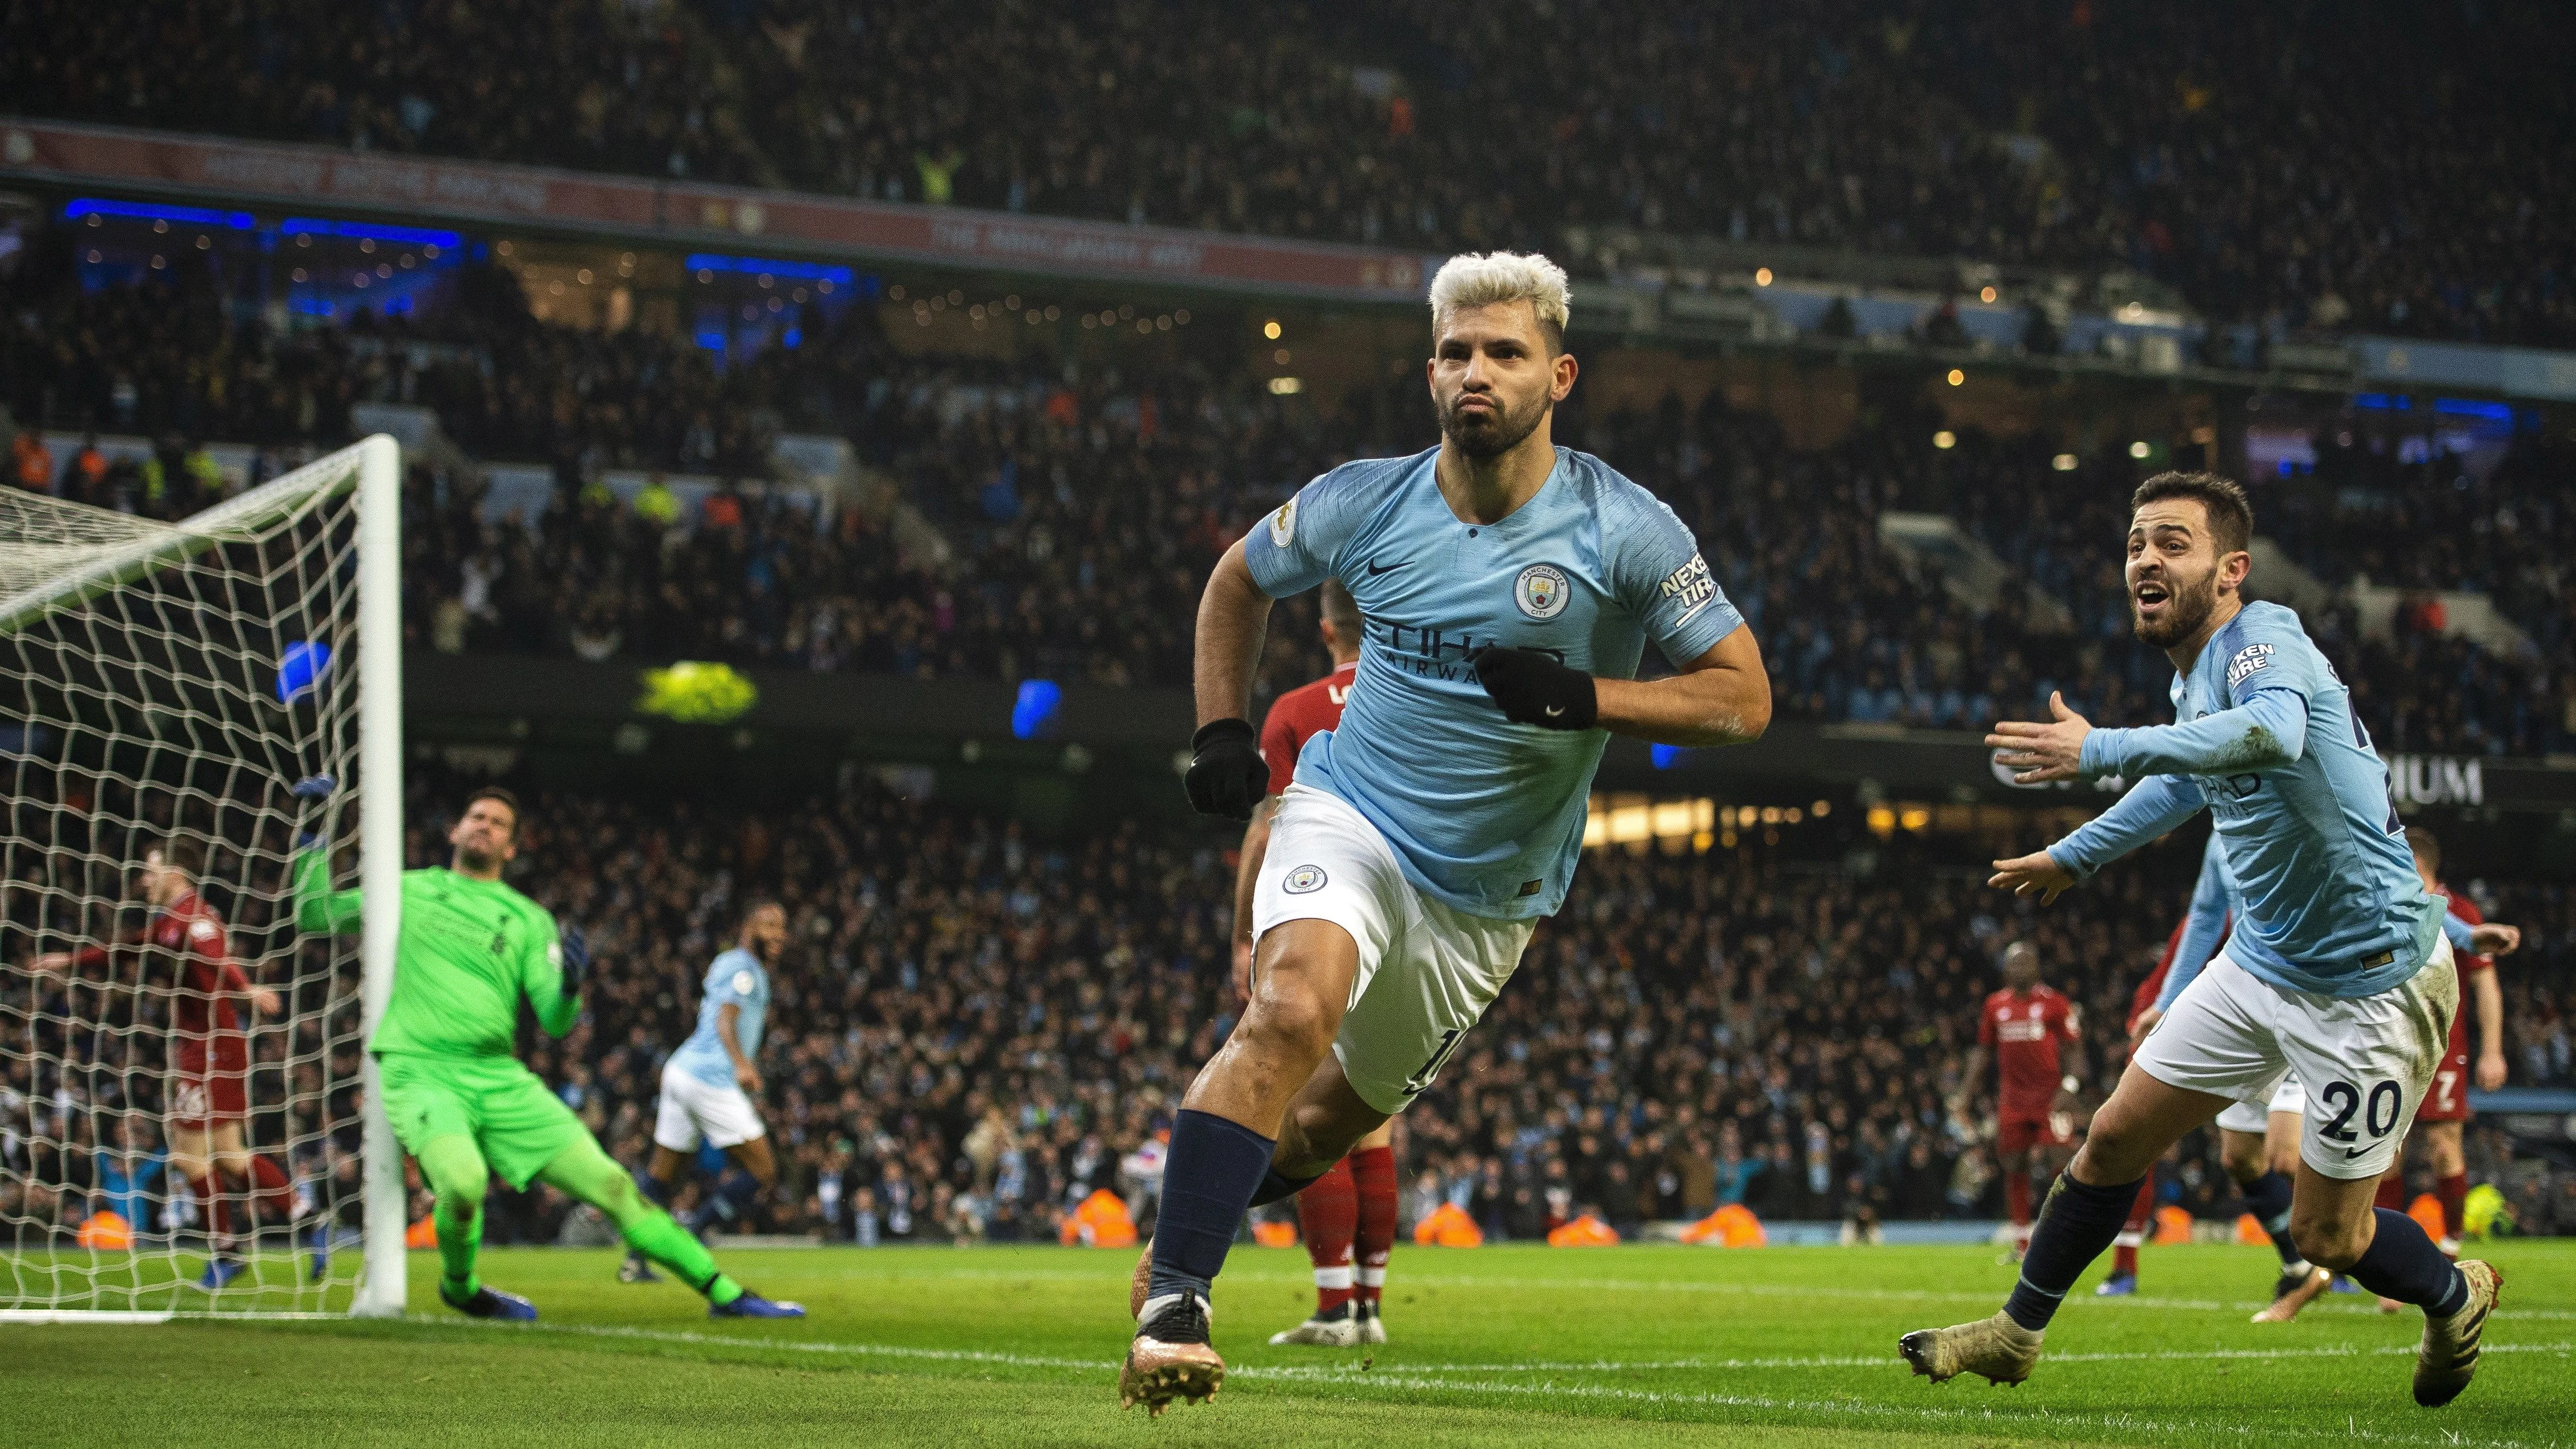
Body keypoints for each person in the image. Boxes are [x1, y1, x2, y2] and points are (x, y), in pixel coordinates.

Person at [1126, 250, 1771, 1415]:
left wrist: (1584, 697)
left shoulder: (1626, 529)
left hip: (1487, 898)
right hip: (1349, 812)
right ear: (1430, 371)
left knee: (1321, 1129)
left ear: (1558, 375)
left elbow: (1741, 697)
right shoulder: (1361, 499)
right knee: (1284, 1011)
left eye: (1505, 353)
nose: (1478, 371)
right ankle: (1175, 1299)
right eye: (1458, 352)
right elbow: (1236, 580)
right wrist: (1220, 727)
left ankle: (1188, 1215)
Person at [1905, 471, 2520, 1409]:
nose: (2144, 559)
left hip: (2372, 982)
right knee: (2111, 1137)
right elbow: (2188, 781)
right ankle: (2015, 1333)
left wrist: (2101, 747)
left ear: (2231, 570)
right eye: (2135, 543)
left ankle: (2455, 1291)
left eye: (2170, 543)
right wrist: (2077, 854)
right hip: (2263, 963)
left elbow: (2272, 734)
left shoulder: (2263, 639)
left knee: (2328, 1238)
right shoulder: (2196, 675)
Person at [292, 784, 802, 1320]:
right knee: (464, 1183)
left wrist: (569, 987)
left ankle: (725, 1294)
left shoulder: (528, 919)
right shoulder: (410, 890)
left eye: (498, 824)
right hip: (421, 1072)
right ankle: (461, 1287)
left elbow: (556, 1023)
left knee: (612, 1185)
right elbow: (315, 915)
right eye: (476, 816)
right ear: (455, 831)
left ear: (511, 848)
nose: (484, 826)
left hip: (498, 1077)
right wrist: (311, 843)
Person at [1230, 579, 1398, 1349]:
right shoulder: (1418, 697)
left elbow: (1266, 832)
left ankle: (1333, 1308)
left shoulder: (1296, 711)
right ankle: (1365, 1307)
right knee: (1373, 1126)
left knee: (1309, 1116)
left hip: (1328, 917)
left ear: (1326, 627)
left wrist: (1243, 932)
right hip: (1410, 921)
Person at [29, 839, 299, 1288]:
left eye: (151, 871)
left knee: (190, 1155)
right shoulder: (170, 923)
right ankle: (303, 1219)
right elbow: (127, 948)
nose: (144, 880)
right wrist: (70, 959)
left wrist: (245, 987)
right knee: (229, 1154)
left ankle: (231, 1249)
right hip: (208, 1043)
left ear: (176, 871)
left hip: (210, 1046)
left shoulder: (193, 917)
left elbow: (216, 956)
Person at [2372, 826, 2517, 1311]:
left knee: (2442, 1145)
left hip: (2444, 1048)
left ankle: (2451, 1251)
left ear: (2416, 863)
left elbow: (2486, 986)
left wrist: (2491, 1049)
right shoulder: (2388, 906)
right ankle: (2389, 1268)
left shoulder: (2461, 914)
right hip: (2391, 1046)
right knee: (2387, 1155)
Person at [620, 900, 786, 1284]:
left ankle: (634, 1259)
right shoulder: (744, 968)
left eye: (782, 927)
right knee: (763, 1169)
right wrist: (741, 1062)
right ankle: (689, 1236)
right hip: (708, 1077)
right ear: (749, 928)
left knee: (662, 1174)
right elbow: (725, 1017)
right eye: (769, 925)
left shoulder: (732, 963)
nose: (778, 934)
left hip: (681, 1071)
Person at [1949, 941, 2083, 1261]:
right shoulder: (1995, 1006)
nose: (2019, 969)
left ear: (2036, 968)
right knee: (2014, 1166)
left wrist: (2070, 1086)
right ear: (2005, 970)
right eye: (2013, 964)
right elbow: (1982, 1052)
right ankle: (2022, 1244)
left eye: (2026, 963)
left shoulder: (2055, 1003)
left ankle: (2058, 1235)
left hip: (2050, 1100)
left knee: (2058, 1163)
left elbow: (2075, 1050)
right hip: (2012, 1101)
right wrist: (1964, 1095)